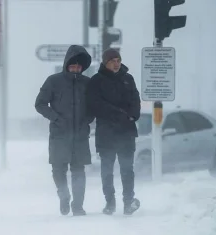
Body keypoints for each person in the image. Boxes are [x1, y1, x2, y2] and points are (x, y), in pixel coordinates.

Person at [35, 45, 94, 216]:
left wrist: (87, 120)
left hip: (80, 135)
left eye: (79, 66)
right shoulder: (53, 81)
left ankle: (78, 206)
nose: (76, 69)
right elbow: (40, 104)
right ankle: (64, 196)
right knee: (58, 169)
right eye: (73, 65)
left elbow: (94, 106)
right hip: (59, 134)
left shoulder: (87, 84)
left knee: (78, 171)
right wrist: (56, 118)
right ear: (66, 64)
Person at [87, 48, 141, 215]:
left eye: (118, 60)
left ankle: (128, 202)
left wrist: (133, 115)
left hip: (126, 132)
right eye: (112, 60)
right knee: (107, 170)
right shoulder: (96, 81)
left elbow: (135, 100)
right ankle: (110, 202)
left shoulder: (128, 78)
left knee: (127, 168)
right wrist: (119, 114)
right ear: (105, 62)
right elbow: (95, 104)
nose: (116, 63)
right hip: (106, 133)